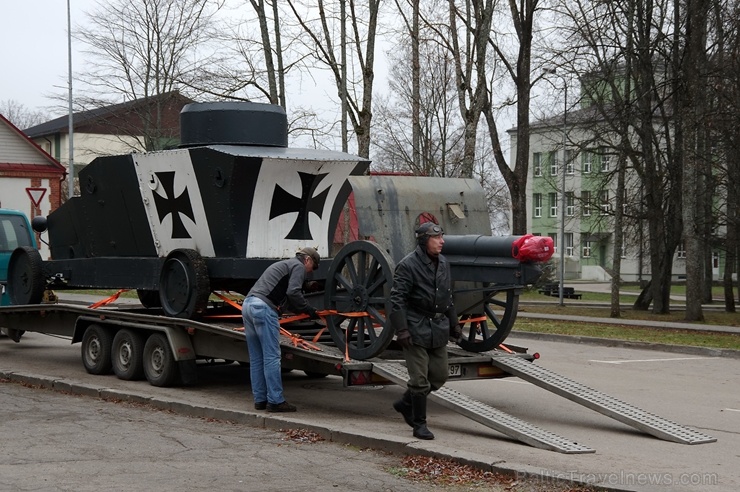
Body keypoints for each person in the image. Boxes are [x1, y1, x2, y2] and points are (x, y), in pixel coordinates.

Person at [389, 222, 462, 440]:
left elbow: (447, 296)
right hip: (415, 327)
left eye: (442, 237)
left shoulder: (444, 263)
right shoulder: (408, 265)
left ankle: (405, 403)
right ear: (424, 240)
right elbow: (397, 299)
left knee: (439, 376)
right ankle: (419, 424)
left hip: (437, 327)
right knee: (419, 380)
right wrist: (402, 329)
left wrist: (454, 324)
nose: (442, 241)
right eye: (436, 237)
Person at [242, 247, 322, 412]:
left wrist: (299, 309)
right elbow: (293, 292)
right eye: (312, 267)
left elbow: (286, 296)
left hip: (248, 305)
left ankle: (260, 400)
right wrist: (309, 310)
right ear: (307, 259)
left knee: (257, 358)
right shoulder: (298, 266)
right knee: (272, 357)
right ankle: (276, 401)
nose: (310, 273)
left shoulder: (284, 265)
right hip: (264, 308)